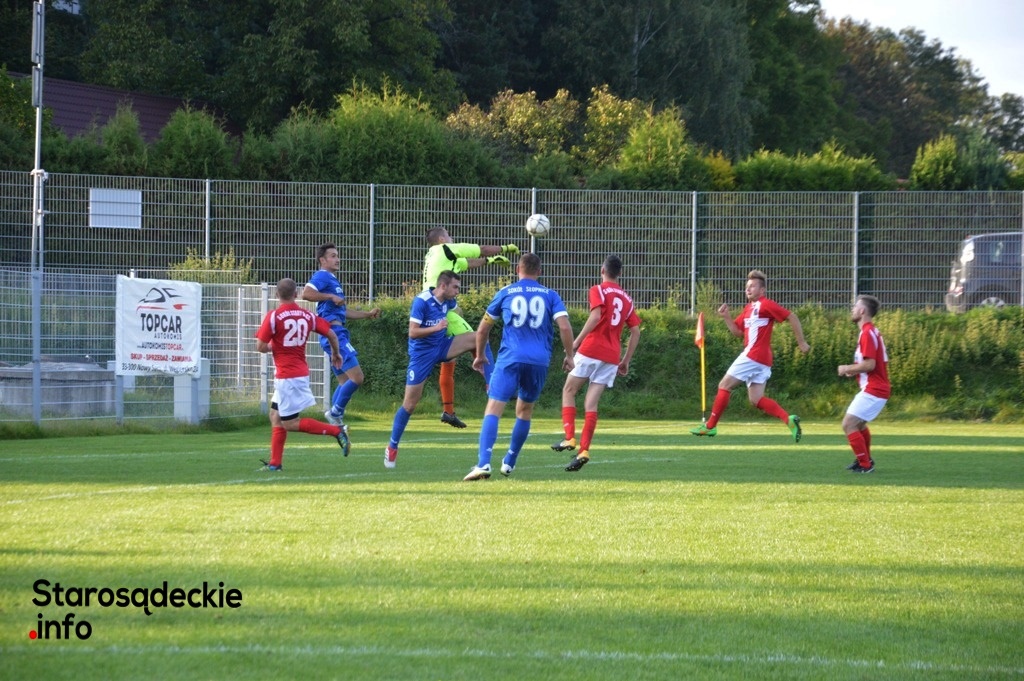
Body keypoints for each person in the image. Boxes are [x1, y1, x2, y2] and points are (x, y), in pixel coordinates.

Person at [463, 253, 575, 481]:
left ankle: (484, 463)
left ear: (517, 269)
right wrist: (570, 356)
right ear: (539, 272)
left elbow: (483, 329)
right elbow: (564, 327)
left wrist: (480, 356)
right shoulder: (550, 295)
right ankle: (510, 462)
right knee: (524, 411)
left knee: (493, 408)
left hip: (510, 358)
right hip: (538, 361)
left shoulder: (506, 292)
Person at [690, 269, 811, 440]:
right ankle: (788, 419)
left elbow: (792, 316)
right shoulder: (748, 308)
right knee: (756, 399)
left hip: (754, 355)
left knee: (724, 385)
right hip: (763, 360)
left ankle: (710, 426)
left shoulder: (765, 304)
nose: (748, 289)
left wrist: (801, 342)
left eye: (753, 286)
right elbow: (738, 332)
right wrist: (726, 317)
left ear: (762, 290)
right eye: (747, 286)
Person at [422, 227, 520, 429]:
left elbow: (466, 263)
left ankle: (448, 412)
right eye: (449, 235)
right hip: (440, 310)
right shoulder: (445, 249)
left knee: (449, 359)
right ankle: (494, 388)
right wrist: (506, 248)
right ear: (442, 239)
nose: (452, 238)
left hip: (432, 308)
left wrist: (490, 261)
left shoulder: (436, 256)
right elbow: (481, 249)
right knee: (479, 339)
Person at [552, 255, 641, 472]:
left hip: (592, 349)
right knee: (591, 404)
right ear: (620, 273)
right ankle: (584, 451)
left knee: (569, 390)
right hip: (612, 356)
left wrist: (574, 344)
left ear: (602, 270)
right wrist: (625, 360)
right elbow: (636, 331)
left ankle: (569, 437)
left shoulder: (598, 290)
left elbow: (595, 317)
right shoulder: (627, 299)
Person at [385, 270, 482, 469]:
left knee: (478, 337)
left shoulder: (448, 301)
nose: (458, 291)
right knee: (409, 405)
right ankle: (392, 447)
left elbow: (456, 311)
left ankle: (491, 382)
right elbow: (413, 332)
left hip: (442, 346)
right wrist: (436, 328)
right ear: (443, 286)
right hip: (422, 355)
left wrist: (456, 323)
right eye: (455, 287)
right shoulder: (421, 301)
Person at [254, 278, 350, 470]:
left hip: (287, 377)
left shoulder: (274, 316)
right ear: (296, 294)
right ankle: (275, 464)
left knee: (290, 423)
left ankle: (336, 431)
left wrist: (275, 346)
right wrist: (336, 353)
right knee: (275, 415)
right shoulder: (307, 315)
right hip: (297, 373)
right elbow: (331, 333)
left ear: (276, 295)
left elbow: (261, 346)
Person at [301, 242, 381, 441]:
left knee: (345, 381)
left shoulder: (332, 280)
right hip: (334, 334)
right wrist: (330, 296)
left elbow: (343, 312)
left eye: (338, 255)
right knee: (357, 377)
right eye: (333, 256)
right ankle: (335, 413)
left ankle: (335, 423)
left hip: (335, 333)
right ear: (322, 260)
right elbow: (306, 293)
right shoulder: (322, 276)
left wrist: (367, 314)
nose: (338, 259)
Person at [837, 295, 890, 473]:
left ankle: (865, 465)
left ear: (862, 311)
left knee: (848, 424)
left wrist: (847, 368)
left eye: (855, 307)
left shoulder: (867, 333)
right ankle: (865, 460)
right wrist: (854, 370)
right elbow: (870, 365)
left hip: (874, 389)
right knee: (858, 425)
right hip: (876, 388)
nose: (852, 309)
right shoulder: (869, 331)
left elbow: (870, 365)